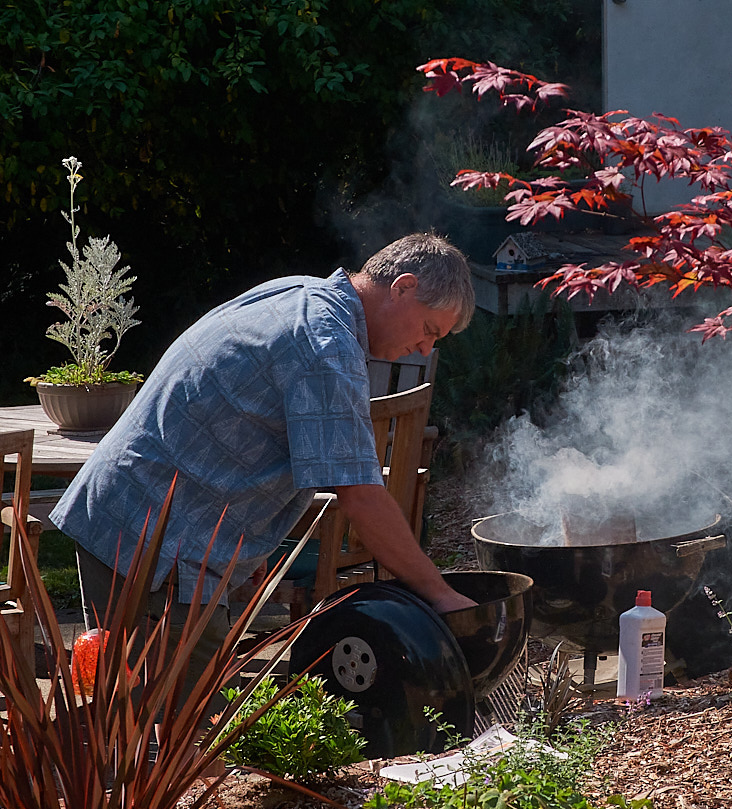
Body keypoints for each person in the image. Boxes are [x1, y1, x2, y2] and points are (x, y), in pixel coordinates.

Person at [50, 231, 478, 687]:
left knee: (142, 721)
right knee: (178, 734)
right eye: (430, 330)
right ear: (404, 287)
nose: (426, 349)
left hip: (128, 516)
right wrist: (440, 594)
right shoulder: (325, 342)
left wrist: (249, 552)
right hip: (152, 542)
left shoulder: (301, 292)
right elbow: (360, 497)